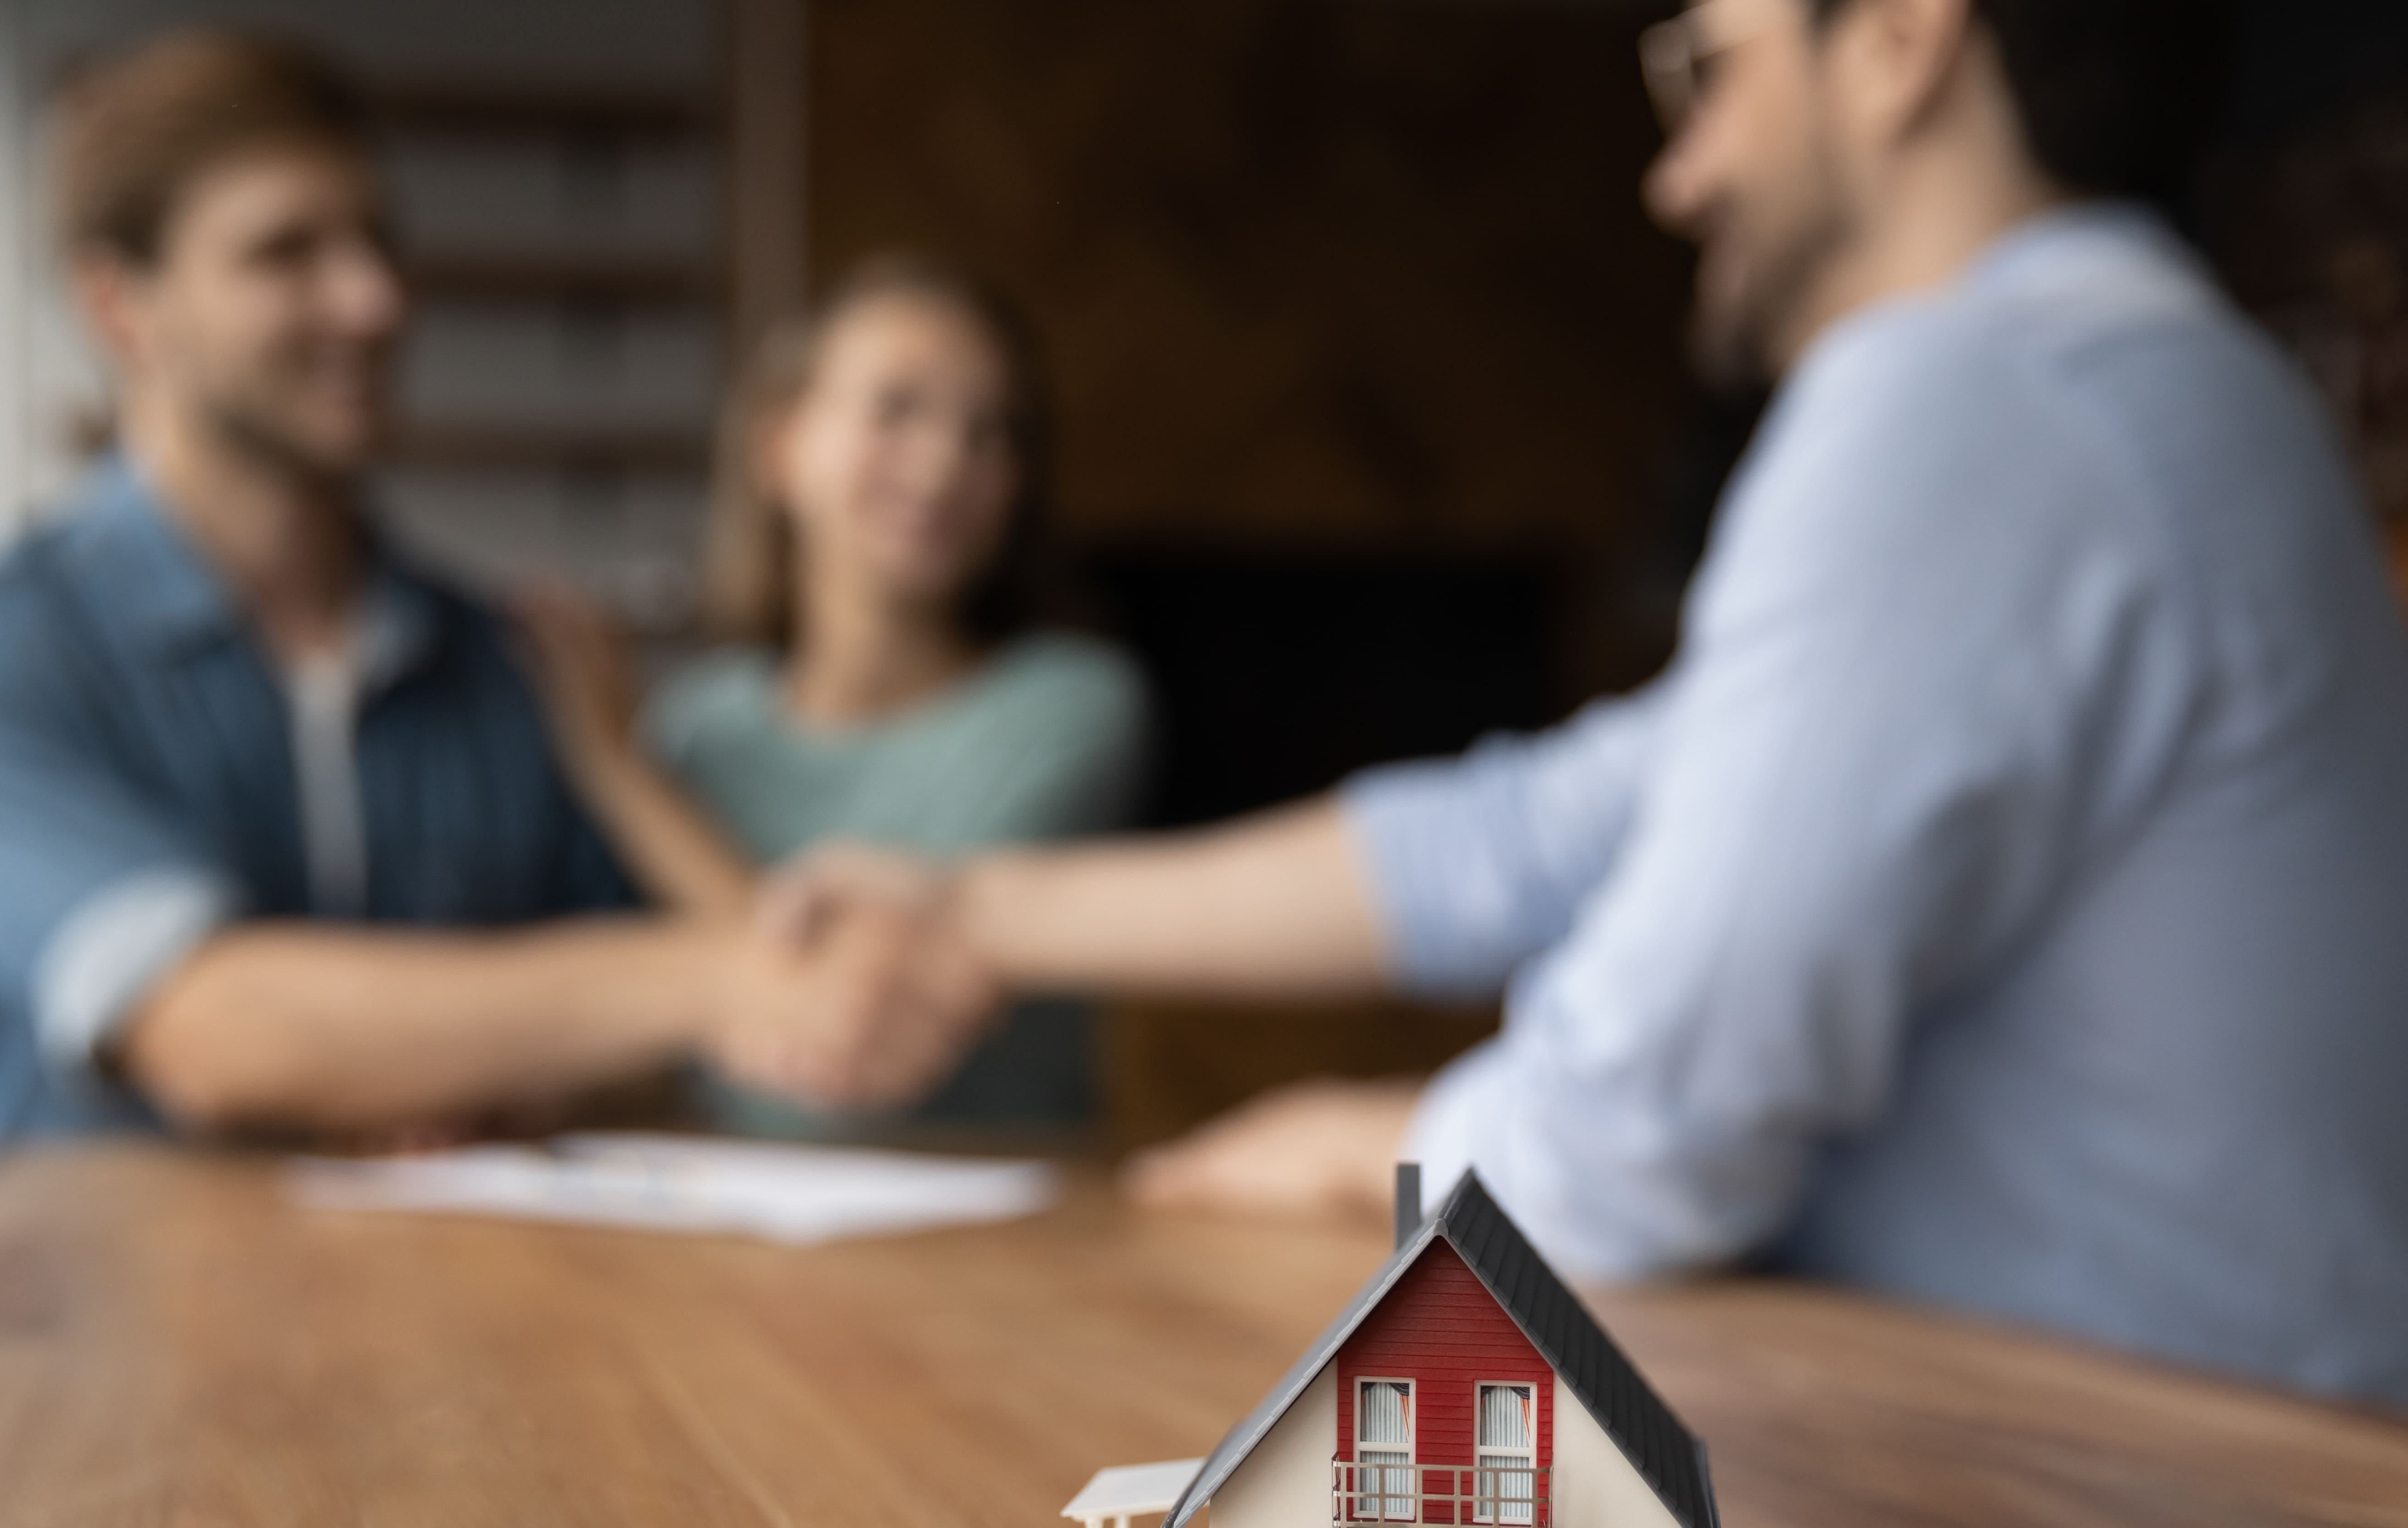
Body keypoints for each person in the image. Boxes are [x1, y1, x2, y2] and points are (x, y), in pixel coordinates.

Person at [739, 0, 2408, 1406]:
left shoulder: (1973, 395)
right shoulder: (2137, 381)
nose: (1674, 175)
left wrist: (1386, 1137)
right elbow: (1544, 831)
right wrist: (973, 908)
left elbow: (1656, 1119)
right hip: (2180, 1481)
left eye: (1707, 71)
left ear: (1898, 39)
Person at [0, 32, 980, 1177]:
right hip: (67, 1342)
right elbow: (211, 1029)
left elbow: (644, 1058)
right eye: (286, 255)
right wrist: (717, 977)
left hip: (443, 1329)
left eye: (378, 241)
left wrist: (507, 1076)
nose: (374, 300)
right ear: (120, 307)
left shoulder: (509, 664)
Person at [512, 257, 1149, 1135]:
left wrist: (622, 775)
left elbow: (860, 994)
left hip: (1000, 1238)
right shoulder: (701, 727)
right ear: (779, 448)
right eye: (897, 410)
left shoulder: (1074, 709)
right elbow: (681, 1042)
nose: (943, 463)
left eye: (990, 432)